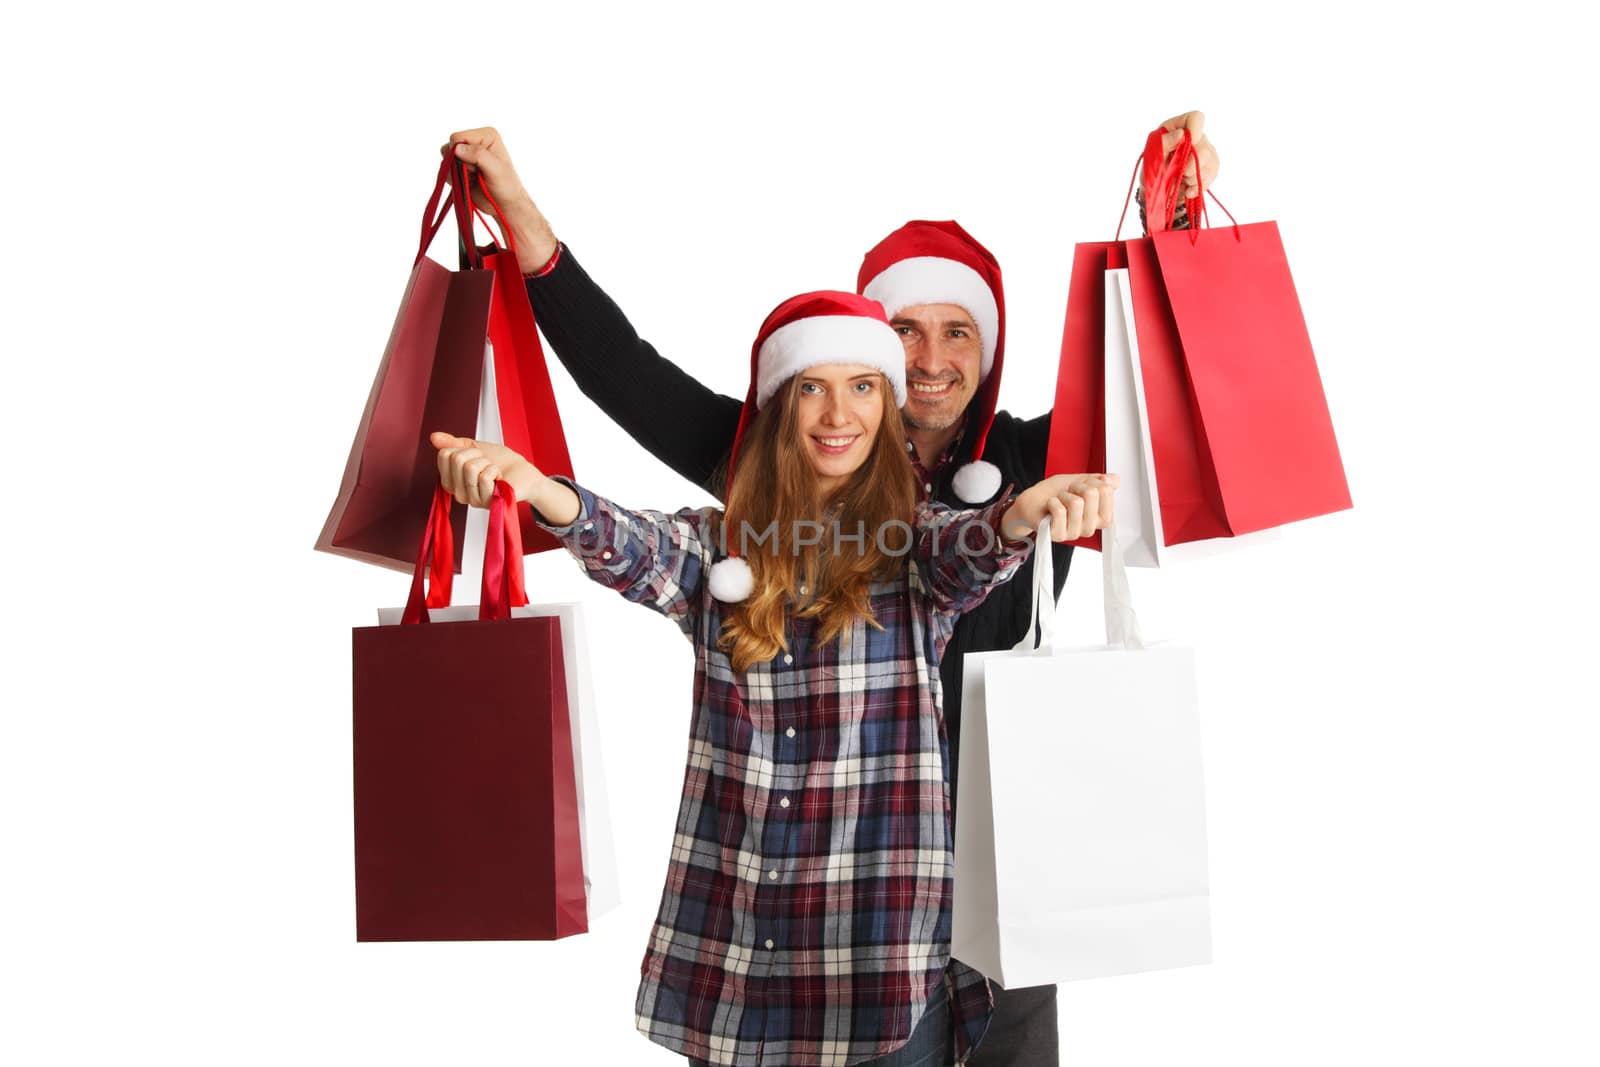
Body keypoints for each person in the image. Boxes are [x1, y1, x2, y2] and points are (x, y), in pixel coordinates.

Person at [441, 115, 1212, 1064]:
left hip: (1003, 847)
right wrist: (526, 224)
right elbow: (624, 374)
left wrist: (1176, 236)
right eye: (903, 333)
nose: (930, 360)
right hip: (814, 879)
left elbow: (1144, 398)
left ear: (989, 349)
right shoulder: (763, 479)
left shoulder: (1026, 460)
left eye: (957, 331)